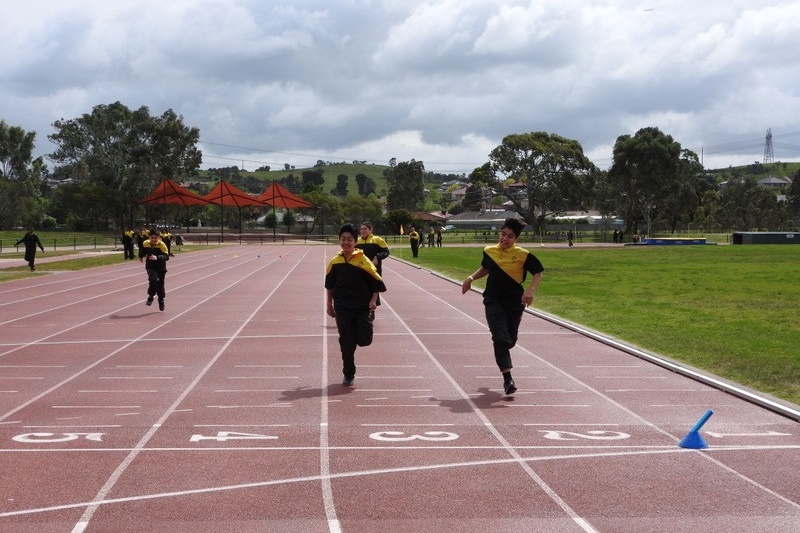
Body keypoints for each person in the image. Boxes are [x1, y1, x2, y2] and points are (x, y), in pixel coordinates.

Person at [461, 217, 544, 396]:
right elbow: (486, 268)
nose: (505, 239)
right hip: (493, 299)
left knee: (509, 340)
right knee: (499, 337)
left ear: (516, 239)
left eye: (510, 236)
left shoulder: (523, 254)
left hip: (514, 302)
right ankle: (508, 378)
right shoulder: (489, 251)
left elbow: (538, 273)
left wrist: (530, 291)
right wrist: (471, 278)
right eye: (503, 234)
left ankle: (506, 359)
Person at [325, 223, 387, 386]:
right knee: (346, 342)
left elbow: (376, 283)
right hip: (342, 307)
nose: (346, 242)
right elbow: (329, 286)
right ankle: (348, 373)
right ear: (340, 240)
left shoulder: (363, 261)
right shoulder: (334, 262)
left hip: (361, 307)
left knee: (364, 340)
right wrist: (329, 305)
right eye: (343, 239)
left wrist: (373, 301)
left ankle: (364, 330)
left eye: (350, 239)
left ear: (355, 241)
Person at [356, 221, 390, 321]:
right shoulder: (357, 241)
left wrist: (377, 256)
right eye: (361, 229)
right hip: (361, 270)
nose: (362, 231)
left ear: (371, 230)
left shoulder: (378, 240)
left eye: (365, 229)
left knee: (374, 289)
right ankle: (362, 310)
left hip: (374, 270)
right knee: (362, 290)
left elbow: (386, 252)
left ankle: (372, 311)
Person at [139, 230, 170, 311]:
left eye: (155, 238)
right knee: (153, 280)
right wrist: (141, 256)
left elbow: (166, 256)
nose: (153, 239)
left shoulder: (162, 245)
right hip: (150, 266)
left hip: (161, 267)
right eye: (151, 238)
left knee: (160, 284)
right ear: (149, 237)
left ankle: (161, 300)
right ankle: (151, 296)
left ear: (159, 238)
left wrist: (158, 257)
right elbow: (142, 250)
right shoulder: (146, 243)